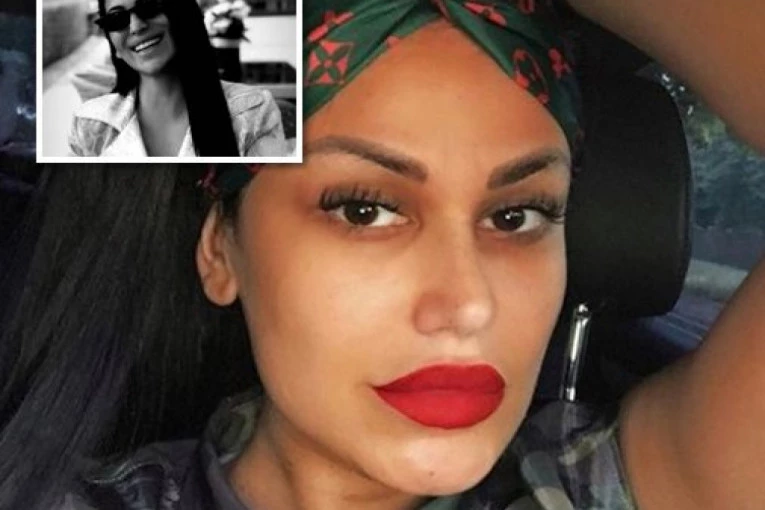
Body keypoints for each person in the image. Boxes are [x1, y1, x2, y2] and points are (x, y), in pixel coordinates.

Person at [1, 1, 764, 510]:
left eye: (516, 215)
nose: (467, 304)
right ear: (220, 251)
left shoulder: (596, 489)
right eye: (363, 209)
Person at [67, 0, 288, 157]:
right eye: (116, 19)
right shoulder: (89, 125)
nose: (136, 26)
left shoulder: (254, 113)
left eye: (149, 7)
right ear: (113, 45)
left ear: (182, 14)